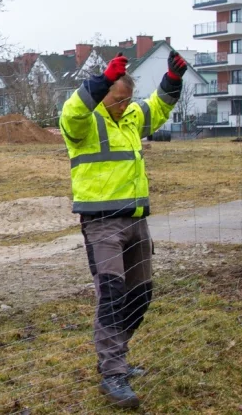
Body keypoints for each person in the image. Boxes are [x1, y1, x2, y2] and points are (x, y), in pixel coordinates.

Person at [58, 50, 188, 409]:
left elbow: (157, 108)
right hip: (101, 223)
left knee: (140, 295)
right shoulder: (84, 121)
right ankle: (112, 372)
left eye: (127, 98)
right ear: (104, 96)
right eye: (116, 99)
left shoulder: (131, 115)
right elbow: (72, 110)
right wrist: (100, 81)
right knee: (112, 295)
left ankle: (116, 357)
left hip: (136, 219)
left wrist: (171, 82)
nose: (123, 105)